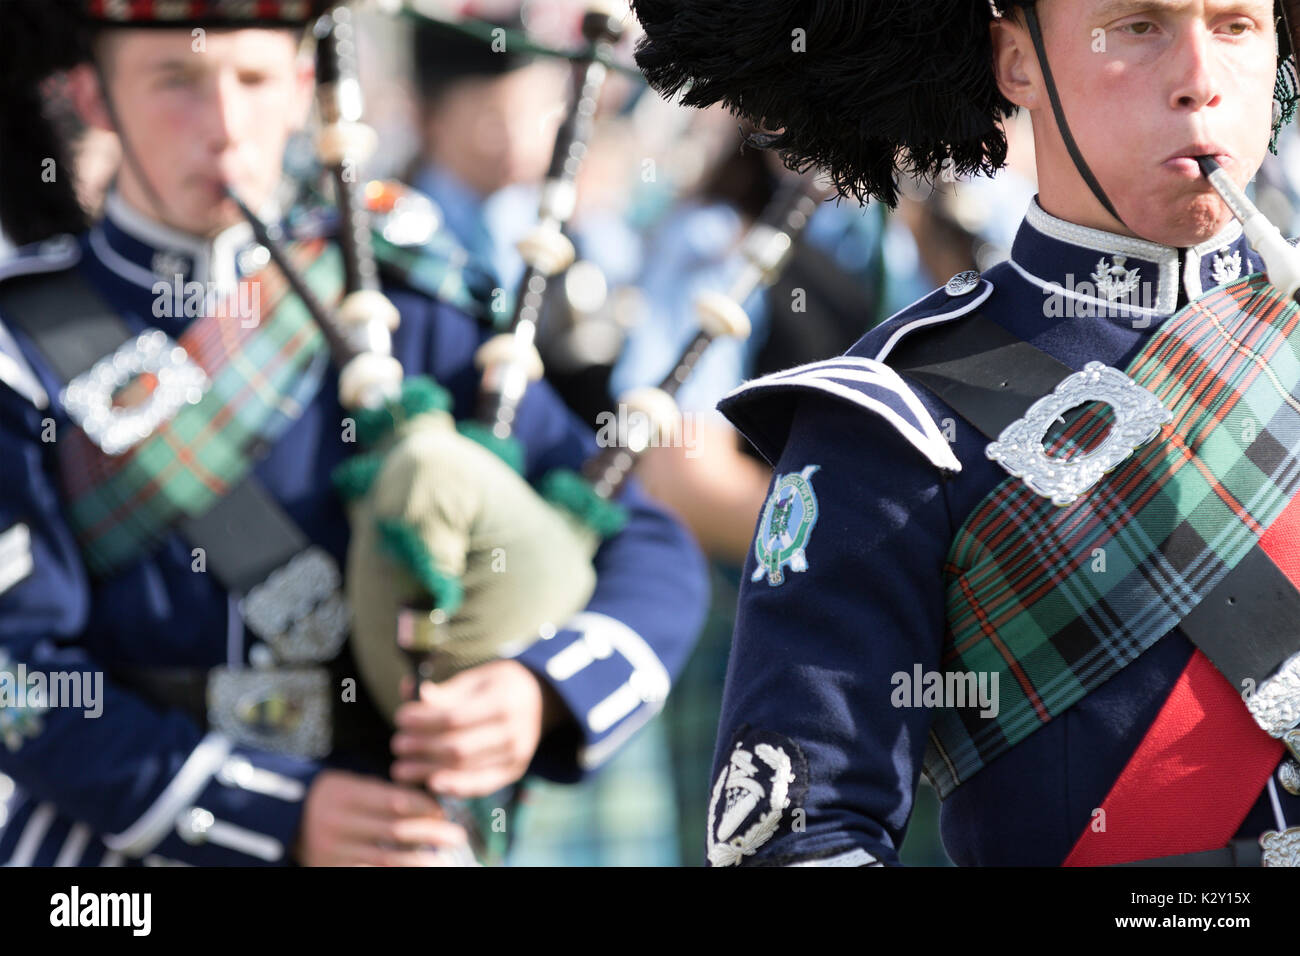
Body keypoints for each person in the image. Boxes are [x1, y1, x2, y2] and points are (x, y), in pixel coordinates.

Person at [0, 0, 706, 867]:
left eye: (254, 79)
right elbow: (15, 676)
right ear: (94, 97)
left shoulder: (402, 301)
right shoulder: (23, 348)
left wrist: (537, 691)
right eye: (175, 81)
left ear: (303, 87)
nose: (225, 126)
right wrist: (277, 814)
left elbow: (640, 538)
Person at [631, 0, 1300, 866]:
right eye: (1139, 26)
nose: (1202, 83)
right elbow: (801, 837)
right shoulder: (890, 418)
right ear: (1017, 61)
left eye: (1237, 25)